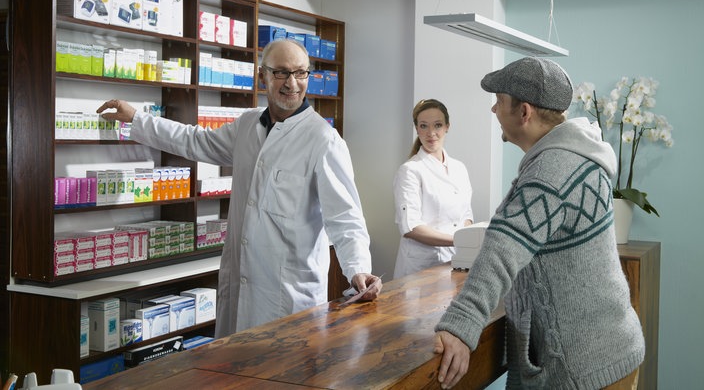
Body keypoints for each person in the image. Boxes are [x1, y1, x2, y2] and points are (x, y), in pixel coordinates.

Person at [96, 39, 382, 338]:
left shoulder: (324, 139)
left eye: (300, 73)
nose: (292, 83)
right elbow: (195, 141)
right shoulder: (247, 125)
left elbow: (345, 218)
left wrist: (358, 268)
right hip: (240, 284)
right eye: (281, 73)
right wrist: (138, 119)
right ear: (263, 76)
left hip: (288, 295)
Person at [432, 57, 644, 389]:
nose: (493, 110)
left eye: (499, 101)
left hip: (587, 370)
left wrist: (461, 322)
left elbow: (502, 249)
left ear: (524, 112)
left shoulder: (551, 171)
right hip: (612, 351)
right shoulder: (579, 156)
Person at [392, 99, 474, 279]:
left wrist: (465, 243)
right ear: (416, 129)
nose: (431, 133)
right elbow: (411, 227)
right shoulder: (410, 170)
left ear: (447, 127)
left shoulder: (459, 168)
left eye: (437, 125)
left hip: (456, 261)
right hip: (421, 267)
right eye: (423, 126)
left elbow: (466, 216)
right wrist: (459, 241)